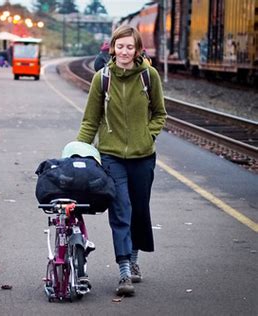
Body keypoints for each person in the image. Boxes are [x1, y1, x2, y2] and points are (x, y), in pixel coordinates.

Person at [76, 25, 167, 296]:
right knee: (120, 210)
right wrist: (79, 150)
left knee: (139, 209)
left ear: (138, 50)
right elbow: (90, 120)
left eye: (130, 47)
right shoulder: (101, 78)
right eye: (120, 46)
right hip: (111, 156)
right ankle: (124, 269)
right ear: (112, 49)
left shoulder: (149, 76)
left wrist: (147, 136)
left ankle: (135, 259)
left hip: (143, 157)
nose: (125, 51)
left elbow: (159, 113)